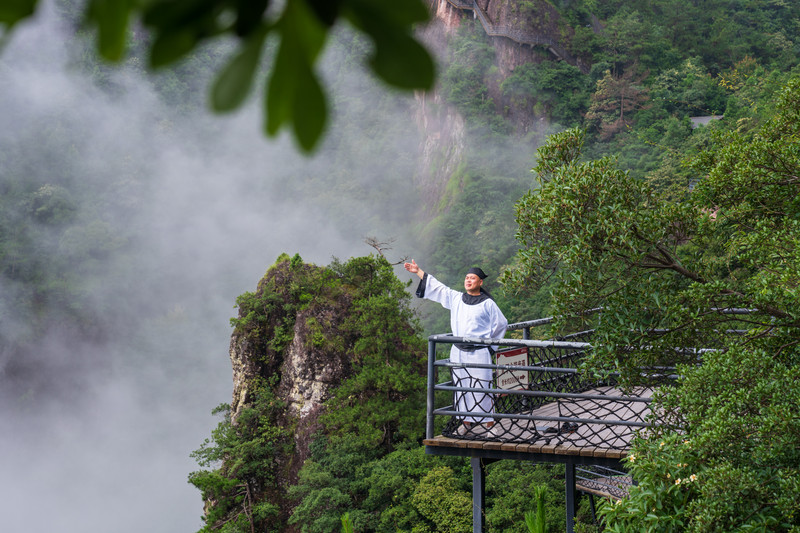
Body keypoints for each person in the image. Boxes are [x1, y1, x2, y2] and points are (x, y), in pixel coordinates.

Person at [404, 259, 508, 435]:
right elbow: (438, 288)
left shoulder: (488, 303)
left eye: (472, 278)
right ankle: (466, 424)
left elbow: (501, 324)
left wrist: (491, 347)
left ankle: (491, 426)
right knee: (461, 387)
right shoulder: (457, 298)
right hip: (458, 352)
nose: (468, 280)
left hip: (479, 352)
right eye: (467, 277)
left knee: (482, 387)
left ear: (480, 282)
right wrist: (418, 271)